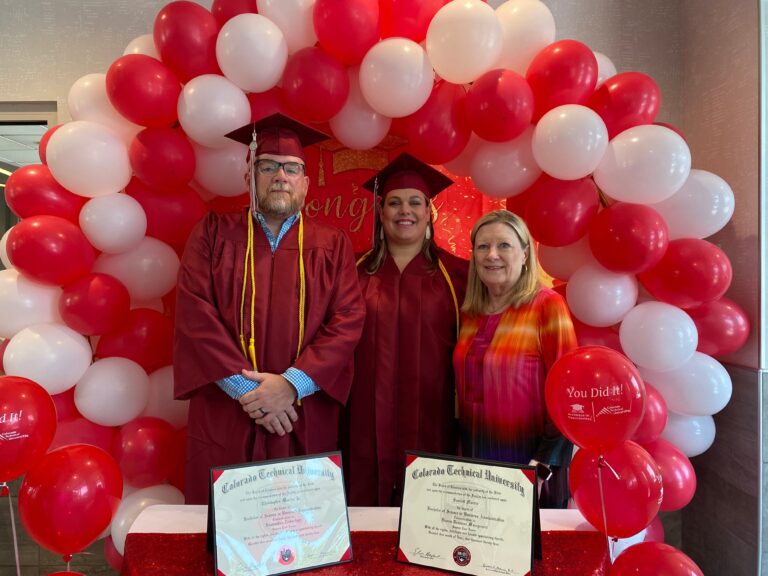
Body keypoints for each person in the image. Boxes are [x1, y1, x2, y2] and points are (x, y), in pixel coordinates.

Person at [173, 114, 365, 504]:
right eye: (268, 166)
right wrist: (252, 393)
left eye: (292, 168)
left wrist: (290, 385)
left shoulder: (332, 244)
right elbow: (196, 316)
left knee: (303, 532)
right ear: (249, 178)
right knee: (229, 536)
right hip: (228, 412)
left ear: (306, 184)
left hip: (302, 412)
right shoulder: (212, 234)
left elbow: (347, 320)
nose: (281, 176)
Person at [342, 153, 468, 506]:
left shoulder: (459, 274)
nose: (404, 211)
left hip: (435, 416)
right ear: (381, 212)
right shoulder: (351, 271)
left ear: (429, 212)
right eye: (394, 203)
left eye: (415, 202)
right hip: (362, 416)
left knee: (427, 510)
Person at [453, 209, 577, 508]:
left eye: (504, 245)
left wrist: (541, 468)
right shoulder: (470, 314)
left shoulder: (547, 306)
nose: (491, 255)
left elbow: (568, 395)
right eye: (483, 246)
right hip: (476, 464)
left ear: (524, 254)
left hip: (531, 470)